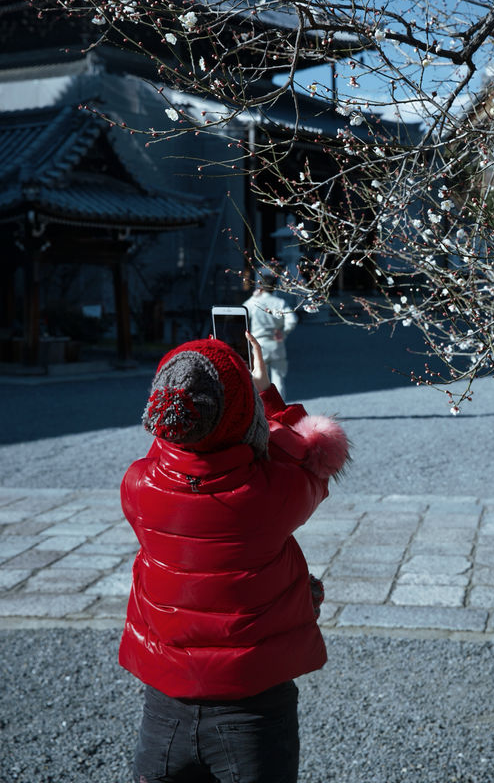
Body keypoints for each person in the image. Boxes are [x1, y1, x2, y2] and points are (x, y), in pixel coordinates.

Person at [119, 331, 349, 783]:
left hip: (164, 706)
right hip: (254, 708)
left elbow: (172, 447)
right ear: (244, 416)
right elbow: (312, 463)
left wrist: (196, 392)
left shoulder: (138, 486)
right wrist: (264, 394)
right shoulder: (270, 494)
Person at [244, 266, 298, 400]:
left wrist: (253, 297)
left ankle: (261, 411)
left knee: (257, 379)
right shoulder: (279, 302)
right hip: (276, 343)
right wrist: (284, 332)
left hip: (257, 344)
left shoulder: (254, 302)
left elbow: (242, 312)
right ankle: (280, 410)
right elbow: (292, 319)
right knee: (278, 380)